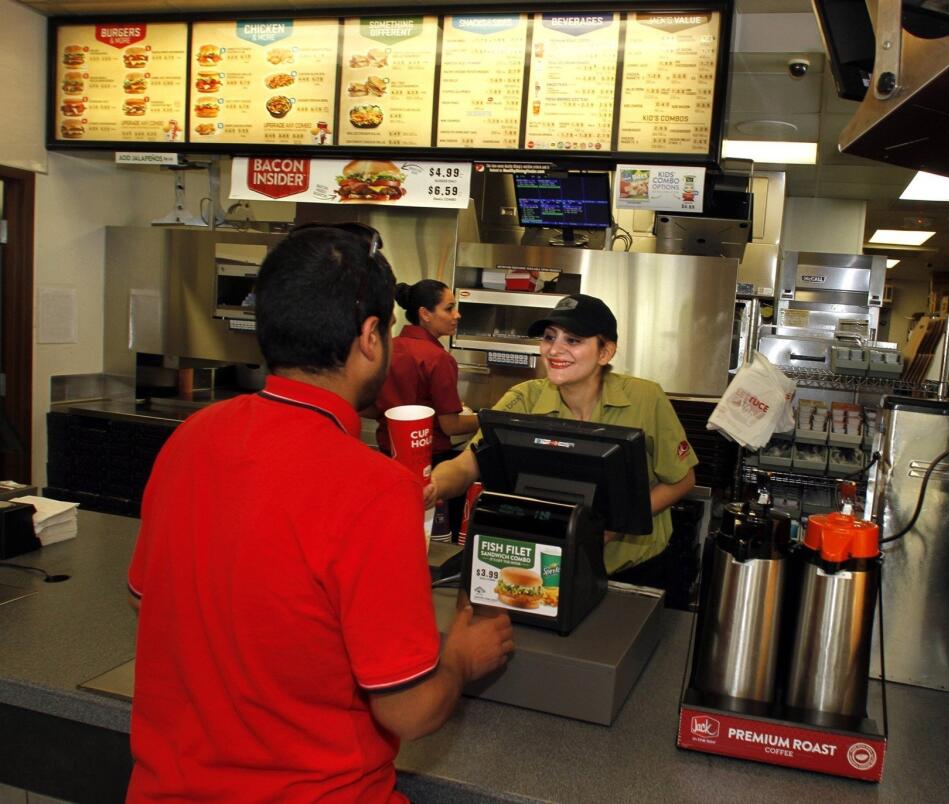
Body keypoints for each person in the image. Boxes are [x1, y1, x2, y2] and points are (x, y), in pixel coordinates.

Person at [126, 223, 513, 802]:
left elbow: (147, 601)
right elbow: (409, 711)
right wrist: (458, 659)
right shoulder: (375, 487)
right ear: (370, 337)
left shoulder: (191, 437)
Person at [428, 294, 698, 577]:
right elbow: (465, 465)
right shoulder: (523, 400)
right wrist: (431, 486)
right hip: (549, 566)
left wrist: (616, 525)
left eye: (573, 340)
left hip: (633, 568)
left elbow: (683, 479)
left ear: (605, 352)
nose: (554, 350)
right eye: (549, 337)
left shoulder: (645, 398)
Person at [374, 279, 477, 535]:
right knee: (433, 537)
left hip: (388, 455)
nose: (457, 314)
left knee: (395, 529)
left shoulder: (389, 348)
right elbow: (450, 425)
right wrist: (484, 418)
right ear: (425, 314)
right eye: (449, 308)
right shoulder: (438, 359)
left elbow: (370, 406)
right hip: (430, 462)